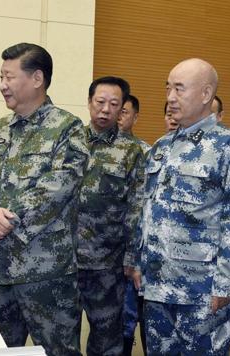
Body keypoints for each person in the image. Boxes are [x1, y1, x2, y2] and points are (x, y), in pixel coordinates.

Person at [0, 42, 89, 356]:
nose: (1, 85)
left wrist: (3, 220)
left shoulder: (68, 128)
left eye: (9, 77)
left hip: (46, 274)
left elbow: (59, 186)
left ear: (37, 79)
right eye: (0, 76)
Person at [134, 58, 230, 355]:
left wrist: (226, 284)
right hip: (158, 288)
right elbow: (146, 210)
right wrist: (138, 261)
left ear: (205, 94)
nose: (170, 97)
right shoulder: (162, 147)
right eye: (168, 88)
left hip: (202, 291)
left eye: (179, 88)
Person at [77, 76, 145, 355]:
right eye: (100, 102)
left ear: (122, 109)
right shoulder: (69, 141)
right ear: (89, 102)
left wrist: (131, 257)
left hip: (108, 262)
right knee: (59, 337)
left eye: (113, 104)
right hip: (64, 260)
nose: (105, 109)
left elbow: (137, 206)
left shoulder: (132, 151)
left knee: (107, 340)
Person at [118, 93, 149, 355]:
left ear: (135, 117)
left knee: (136, 316)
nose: (117, 116)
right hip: (104, 252)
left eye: (124, 111)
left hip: (136, 253)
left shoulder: (146, 152)